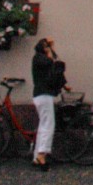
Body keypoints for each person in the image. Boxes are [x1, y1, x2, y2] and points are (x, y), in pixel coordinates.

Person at [31, 36, 66, 170]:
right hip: (44, 95)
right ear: (43, 49)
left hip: (41, 95)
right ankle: (41, 155)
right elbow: (52, 61)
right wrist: (50, 48)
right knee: (48, 125)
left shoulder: (38, 58)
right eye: (46, 47)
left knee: (42, 126)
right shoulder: (40, 58)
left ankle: (36, 156)